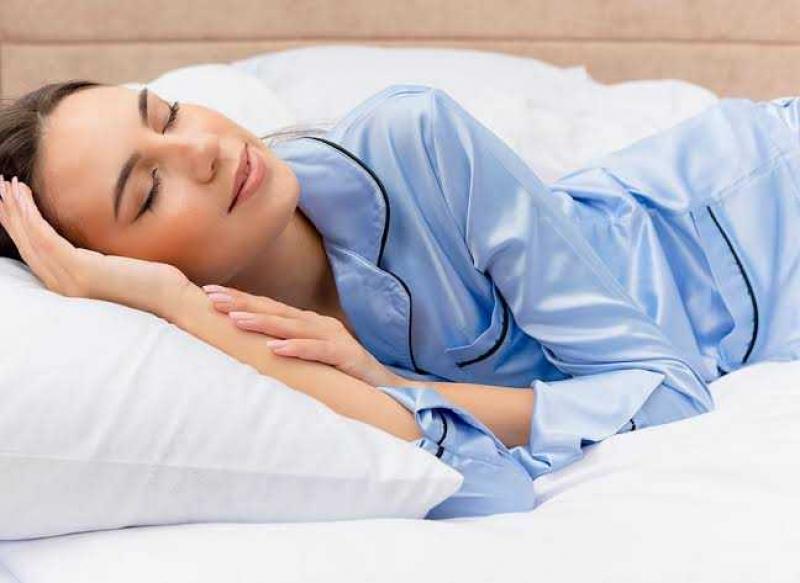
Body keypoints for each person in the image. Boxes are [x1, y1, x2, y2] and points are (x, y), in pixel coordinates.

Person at [1, 80, 798, 519]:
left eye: (168, 114)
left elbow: (669, 394)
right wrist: (177, 306)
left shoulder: (414, 140)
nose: (203, 149)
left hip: (761, 196)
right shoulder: (238, 362)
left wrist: (400, 384)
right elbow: (485, 490)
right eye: (148, 191)